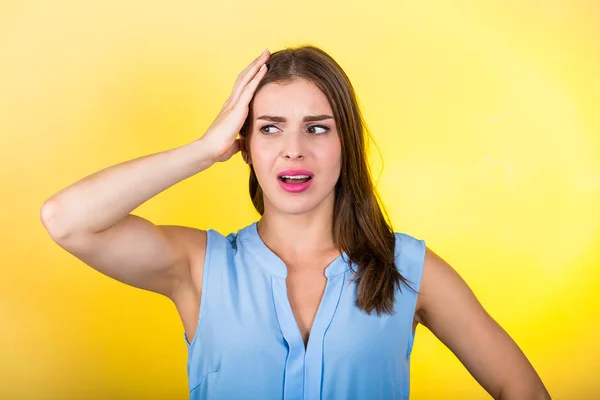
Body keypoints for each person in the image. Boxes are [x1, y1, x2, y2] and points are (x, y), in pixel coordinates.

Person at [40, 45, 551, 399]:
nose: (293, 151)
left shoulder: (409, 267)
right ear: (244, 146)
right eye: (269, 128)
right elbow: (66, 219)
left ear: (344, 142)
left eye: (317, 128)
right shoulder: (199, 266)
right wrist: (203, 150)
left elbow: (523, 389)